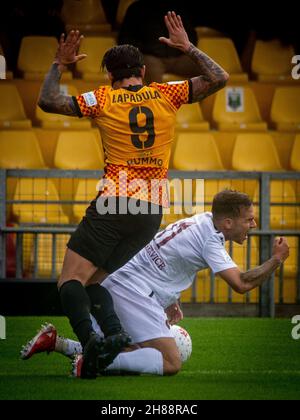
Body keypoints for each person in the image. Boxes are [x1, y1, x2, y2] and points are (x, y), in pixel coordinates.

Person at [36, 11, 229, 378]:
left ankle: (92, 343)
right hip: (152, 208)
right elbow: (220, 77)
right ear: (142, 71)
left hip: (115, 201)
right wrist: (188, 47)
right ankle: (114, 335)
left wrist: (59, 65)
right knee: (95, 282)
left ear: (110, 74)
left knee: (70, 281)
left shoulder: (103, 98)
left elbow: (47, 101)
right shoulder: (167, 93)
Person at [21, 190, 289, 377]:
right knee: (170, 362)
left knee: (129, 350)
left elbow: (167, 253)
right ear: (229, 222)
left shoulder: (200, 222)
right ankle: (92, 365)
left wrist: (172, 298)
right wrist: (276, 260)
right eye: (249, 219)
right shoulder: (210, 239)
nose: (253, 224)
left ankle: (58, 344)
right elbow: (241, 284)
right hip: (134, 290)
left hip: (123, 281)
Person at [118, 0, 200, 84]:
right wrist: (144, 50)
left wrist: (183, 46)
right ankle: (157, 96)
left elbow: (191, 34)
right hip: (151, 57)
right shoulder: (136, 8)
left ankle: (194, 96)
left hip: (179, 57)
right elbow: (125, 38)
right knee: (150, 72)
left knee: (207, 69)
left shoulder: (178, 7)